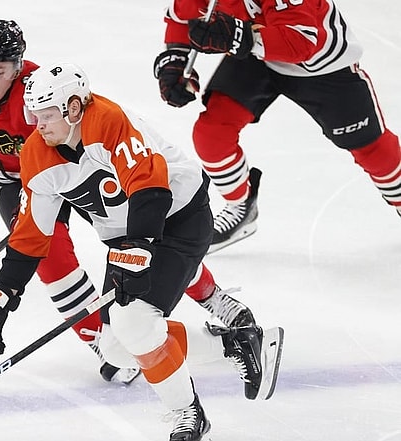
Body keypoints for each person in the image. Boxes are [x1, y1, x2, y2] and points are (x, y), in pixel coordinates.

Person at [0, 63, 284, 441]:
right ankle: (236, 345)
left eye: (47, 115)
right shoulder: (37, 154)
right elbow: (31, 237)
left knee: (135, 324)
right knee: (116, 348)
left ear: (74, 108)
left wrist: (139, 249)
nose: (39, 125)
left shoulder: (109, 122)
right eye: (34, 115)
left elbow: (150, 188)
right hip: (128, 238)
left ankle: (189, 415)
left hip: (178, 219)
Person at [0, 18, 253, 385]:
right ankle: (102, 339)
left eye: (0, 70)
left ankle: (210, 296)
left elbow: (89, 126)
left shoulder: (42, 89)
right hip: (23, 182)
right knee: (48, 258)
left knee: (141, 235)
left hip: (80, 172)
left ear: (18, 66)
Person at [153, 0, 401, 252]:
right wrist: (175, 60)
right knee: (211, 133)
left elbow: (302, 42)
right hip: (256, 56)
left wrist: (238, 36)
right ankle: (241, 207)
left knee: (374, 151)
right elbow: (182, 15)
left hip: (320, 66)